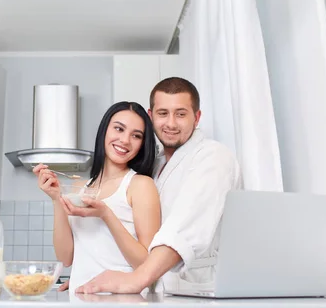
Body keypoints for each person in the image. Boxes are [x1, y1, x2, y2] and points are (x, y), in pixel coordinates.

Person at [76, 77, 242, 294]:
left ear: (197, 117)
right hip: (157, 290)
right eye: (163, 113)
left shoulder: (214, 157)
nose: (171, 123)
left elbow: (185, 227)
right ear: (151, 115)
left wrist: (136, 280)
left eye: (181, 114)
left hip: (198, 290)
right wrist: (94, 281)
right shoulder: (154, 164)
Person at [33, 101, 161, 293]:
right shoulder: (79, 188)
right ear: (105, 131)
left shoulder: (140, 185)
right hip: (81, 296)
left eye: (136, 136)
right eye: (119, 129)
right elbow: (66, 258)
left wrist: (106, 215)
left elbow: (148, 265)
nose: (125, 140)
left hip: (122, 300)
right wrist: (56, 199)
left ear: (142, 144)